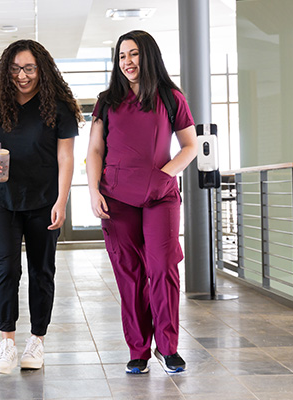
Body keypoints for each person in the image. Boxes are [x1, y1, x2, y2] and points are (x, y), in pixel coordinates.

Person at [86, 30, 197, 374]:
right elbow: (94, 150)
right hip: (117, 197)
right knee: (129, 274)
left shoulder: (170, 97)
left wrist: (165, 175)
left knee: (162, 268)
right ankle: (138, 350)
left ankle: (168, 347)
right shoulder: (107, 100)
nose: (127, 62)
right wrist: (93, 191)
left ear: (147, 56)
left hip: (160, 196)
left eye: (133, 54)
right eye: (122, 56)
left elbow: (190, 146)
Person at [0, 39, 82, 374]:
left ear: (42, 69)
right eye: (16, 68)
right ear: (7, 70)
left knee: (41, 271)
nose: (22, 75)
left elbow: (66, 157)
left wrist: (62, 201)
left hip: (43, 200)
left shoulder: (59, 106)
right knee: (7, 269)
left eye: (29, 68)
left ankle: (37, 340)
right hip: (1, 200)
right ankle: (7, 342)